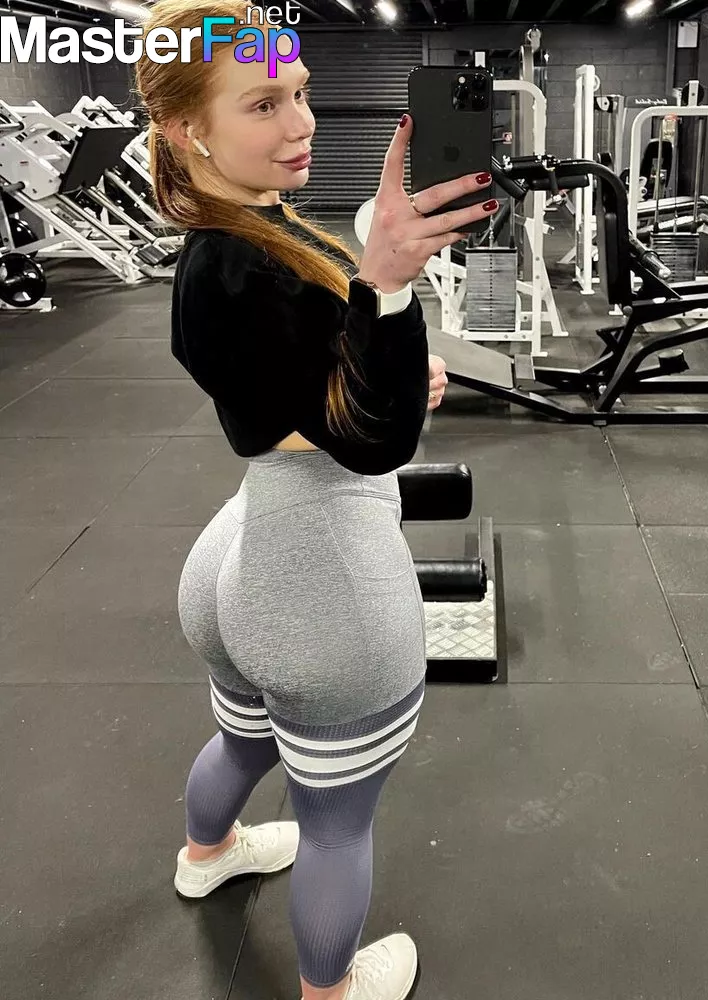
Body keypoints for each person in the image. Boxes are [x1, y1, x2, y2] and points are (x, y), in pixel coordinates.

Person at [134, 3, 500, 999]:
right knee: (337, 825)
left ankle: (207, 854)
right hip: (317, 581)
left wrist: (386, 355)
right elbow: (371, 442)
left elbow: (305, 391)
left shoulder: (231, 235)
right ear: (186, 128)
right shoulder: (239, 264)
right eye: (264, 103)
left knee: (242, 736)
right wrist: (387, 284)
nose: (301, 124)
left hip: (236, 558)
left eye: (300, 94)